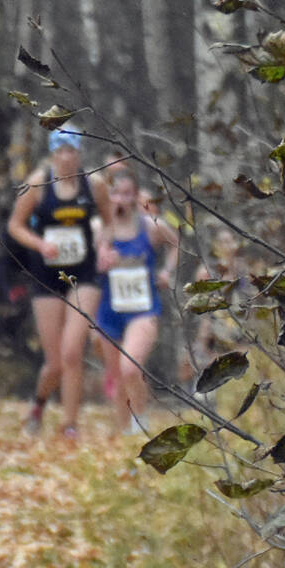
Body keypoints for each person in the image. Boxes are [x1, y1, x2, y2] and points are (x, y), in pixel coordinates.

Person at [6, 124, 109, 440]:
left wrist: (103, 244)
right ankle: (38, 405)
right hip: (46, 275)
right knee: (54, 363)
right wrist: (40, 244)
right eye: (61, 151)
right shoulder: (38, 183)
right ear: (52, 154)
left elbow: (109, 222)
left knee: (72, 352)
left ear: (79, 153)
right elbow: (15, 226)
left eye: (72, 151)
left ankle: (70, 425)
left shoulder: (94, 184)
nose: (66, 157)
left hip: (84, 274)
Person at [91, 166, 179, 433]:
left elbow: (176, 244)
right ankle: (124, 435)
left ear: (135, 196)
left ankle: (140, 422)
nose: (121, 199)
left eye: (127, 194)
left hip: (143, 309)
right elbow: (88, 267)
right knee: (117, 376)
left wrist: (166, 272)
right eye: (116, 193)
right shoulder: (99, 227)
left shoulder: (150, 226)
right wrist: (100, 260)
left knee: (130, 368)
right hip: (109, 310)